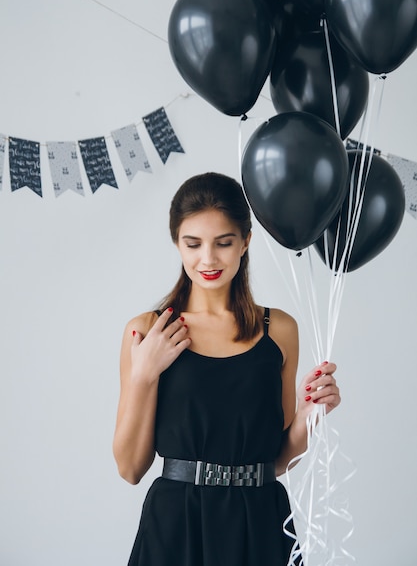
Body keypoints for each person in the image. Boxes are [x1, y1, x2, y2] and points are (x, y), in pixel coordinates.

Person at [113, 171, 341, 566]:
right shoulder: (147, 331)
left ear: (245, 242)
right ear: (176, 244)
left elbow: (277, 460)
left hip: (260, 522)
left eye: (223, 243)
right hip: (177, 527)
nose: (208, 259)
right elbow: (131, 469)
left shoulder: (280, 330)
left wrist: (309, 417)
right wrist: (145, 374)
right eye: (193, 244)